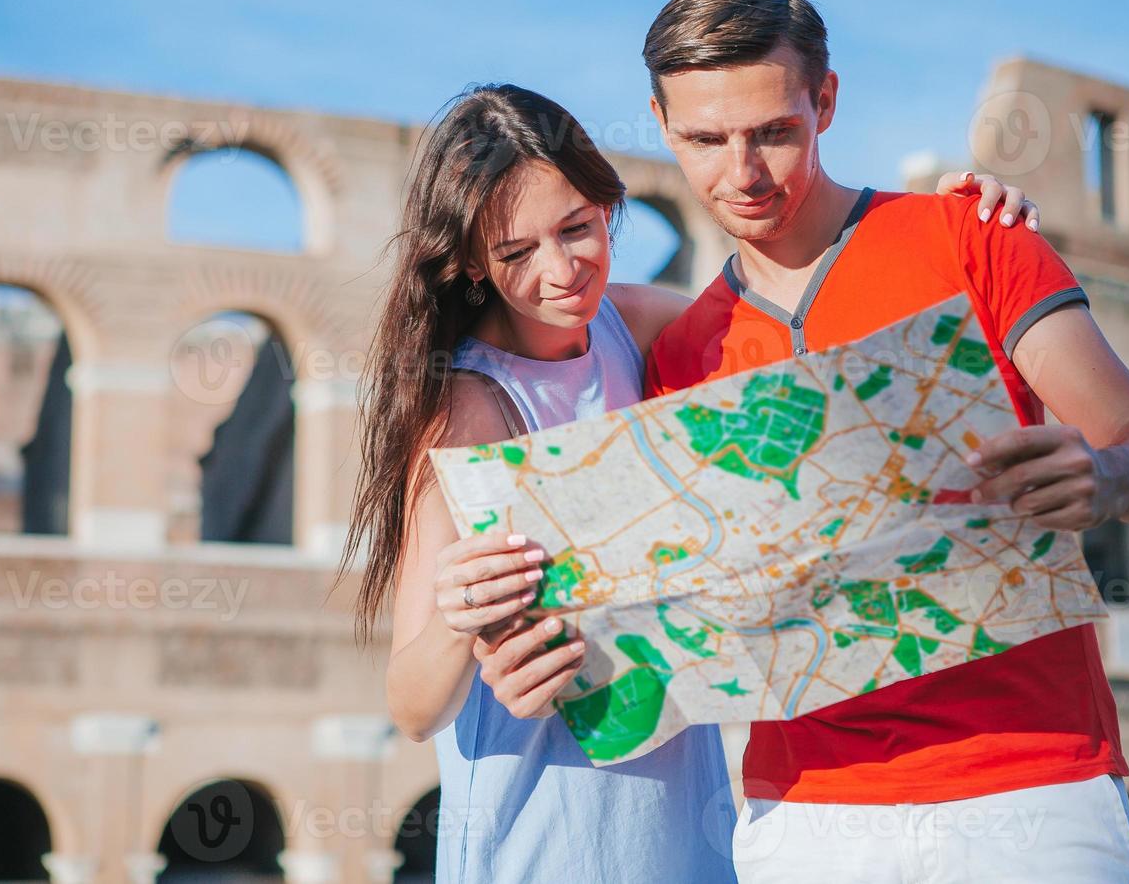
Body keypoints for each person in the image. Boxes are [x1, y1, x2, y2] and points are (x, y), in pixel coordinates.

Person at [476, 0, 1129, 883]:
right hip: (802, 816)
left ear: (825, 101)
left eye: (774, 132)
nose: (741, 175)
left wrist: (1107, 476)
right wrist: (535, 664)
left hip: (1030, 786)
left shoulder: (972, 237)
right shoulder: (683, 355)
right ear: (660, 126)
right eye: (704, 139)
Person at [343, 81, 1042, 883]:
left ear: (608, 205)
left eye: (578, 228)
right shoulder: (464, 409)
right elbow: (411, 705)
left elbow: (814, 343)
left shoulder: (630, 322)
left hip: (687, 819)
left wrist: (946, 229)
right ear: (470, 261)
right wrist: (459, 618)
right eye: (515, 253)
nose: (563, 269)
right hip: (544, 829)